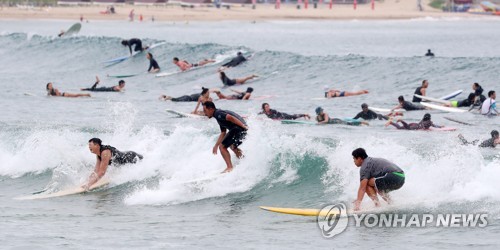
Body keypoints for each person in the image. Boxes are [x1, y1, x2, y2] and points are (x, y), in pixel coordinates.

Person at [203, 101, 248, 173]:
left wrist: (243, 126)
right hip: (240, 129)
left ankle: (229, 167)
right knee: (232, 146)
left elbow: (230, 117)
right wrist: (216, 145)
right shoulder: (218, 116)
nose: (204, 113)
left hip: (239, 128)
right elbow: (223, 133)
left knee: (222, 147)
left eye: (205, 110)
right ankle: (244, 160)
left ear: (211, 109)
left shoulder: (218, 114)